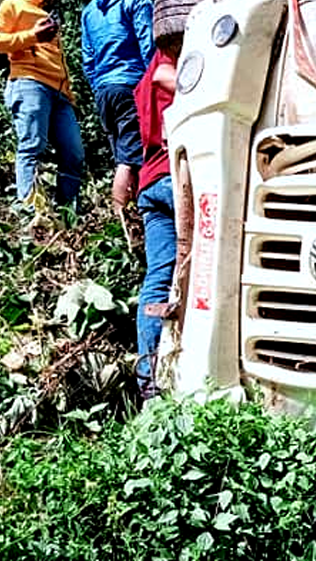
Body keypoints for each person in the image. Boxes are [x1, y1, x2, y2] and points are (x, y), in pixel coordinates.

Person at [0, 0, 84, 217]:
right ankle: (32, 214)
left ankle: (66, 215)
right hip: (29, 82)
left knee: (73, 154)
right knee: (32, 146)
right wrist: (33, 36)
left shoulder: (44, 13)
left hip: (60, 92)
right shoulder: (9, 5)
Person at [81, 0, 155, 224]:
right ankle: (121, 220)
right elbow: (148, 46)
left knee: (122, 156)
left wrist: (98, 87)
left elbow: (87, 58)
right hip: (130, 85)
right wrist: (153, 86)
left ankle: (127, 219)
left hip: (104, 90)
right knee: (131, 158)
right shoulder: (137, 0)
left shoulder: (90, 10)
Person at [133, 31, 181, 399]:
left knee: (158, 277)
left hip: (150, 183)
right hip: (177, 179)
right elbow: (170, 77)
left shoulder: (142, 81)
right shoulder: (170, 68)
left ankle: (149, 381)